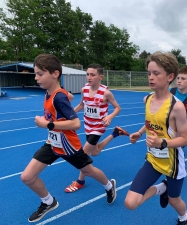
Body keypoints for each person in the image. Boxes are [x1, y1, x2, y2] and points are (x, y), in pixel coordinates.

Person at [21, 54, 117, 223]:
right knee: (27, 177)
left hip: (68, 145)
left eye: (40, 74)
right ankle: (48, 202)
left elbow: (75, 124)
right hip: (52, 143)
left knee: (88, 171)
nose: (36, 78)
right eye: (35, 74)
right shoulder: (52, 94)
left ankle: (109, 186)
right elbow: (70, 98)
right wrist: (64, 102)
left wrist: (48, 124)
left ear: (55, 73)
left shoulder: (58, 97)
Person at [124, 51, 187, 225]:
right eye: (149, 73)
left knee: (175, 200)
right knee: (130, 203)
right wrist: (139, 132)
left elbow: (184, 139)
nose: (151, 77)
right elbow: (151, 122)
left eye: (156, 73)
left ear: (170, 77)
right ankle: (162, 189)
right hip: (153, 159)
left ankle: (184, 217)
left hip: (172, 163)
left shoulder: (177, 107)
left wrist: (162, 142)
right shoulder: (147, 99)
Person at [64, 63, 129, 193]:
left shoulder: (106, 93)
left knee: (83, 154)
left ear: (100, 77)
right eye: (87, 74)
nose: (89, 77)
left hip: (98, 127)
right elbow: (82, 105)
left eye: (92, 75)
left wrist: (109, 117)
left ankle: (80, 182)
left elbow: (118, 108)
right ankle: (115, 134)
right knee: (95, 152)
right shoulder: (84, 90)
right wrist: (69, 115)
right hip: (88, 125)